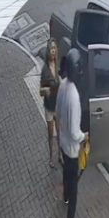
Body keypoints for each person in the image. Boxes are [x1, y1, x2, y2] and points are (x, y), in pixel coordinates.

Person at [57, 48, 88, 218]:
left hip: (62, 142)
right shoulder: (75, 98)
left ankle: (65, 195)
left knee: (66, 176)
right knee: (74, 191)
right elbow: (77, 133)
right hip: (72, 148)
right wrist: (85, 136)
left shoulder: (62, 85)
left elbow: (58, 111)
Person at [39, 40, 61, 169]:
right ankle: (51, 158)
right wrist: (45, 90)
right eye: (51, 48)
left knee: (59, 132)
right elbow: (40, 91)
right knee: (51, 134)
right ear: (48, 51)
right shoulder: (45, 70)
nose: (53, 51)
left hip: (57, 105)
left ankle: (60, 156)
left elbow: (59, 81)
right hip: (49, 107)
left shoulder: (56, 66)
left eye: (55, 48)